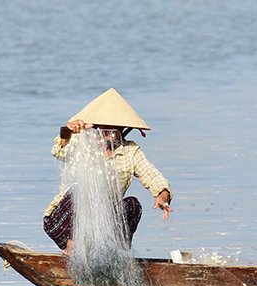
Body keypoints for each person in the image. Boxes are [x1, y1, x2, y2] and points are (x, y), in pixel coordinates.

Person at [43, 88, 173, 255]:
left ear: (122, 129)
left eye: (114, 129)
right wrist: (67, 132)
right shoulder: (80, 141)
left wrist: (162, 196)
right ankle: (72, 250)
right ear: (94, 126)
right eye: (104, 128)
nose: (109, 135)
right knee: (80, 190)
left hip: (102, 222)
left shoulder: (129, 151)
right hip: (62, 222)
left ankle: (116, 255)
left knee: (133, 205)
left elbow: (153, 176)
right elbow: (59, 151)